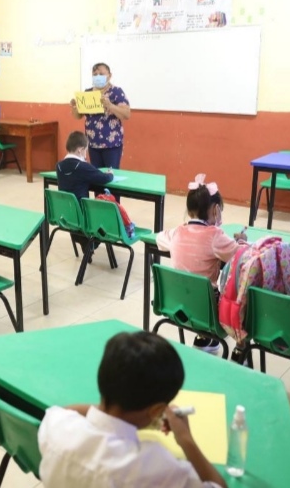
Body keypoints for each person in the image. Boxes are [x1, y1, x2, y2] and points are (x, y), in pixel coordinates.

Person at [38, 331, 227, 488]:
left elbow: (67, 410)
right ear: (157, 410)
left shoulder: (57, 426)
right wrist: (186, 439)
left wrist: (113, 412)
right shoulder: (155, 466)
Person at [156, 174, 246, 355]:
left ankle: (204, 337)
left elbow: (159, 238)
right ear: (215, 210)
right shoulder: (215, 235)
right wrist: (242, 241)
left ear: (190, 211)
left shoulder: (177, 232)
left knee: (196, 287)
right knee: (243, 296)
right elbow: (241, 255)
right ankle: (241, 350)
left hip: (178, 303)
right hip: (207, 307)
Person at [69, 63, 131, 172]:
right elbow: (78, 116)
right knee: (96, 176)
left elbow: (126, 114)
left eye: (101, 74)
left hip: (111, 145)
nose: (98, 76)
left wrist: (110, 106)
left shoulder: (116, 92)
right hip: (92, 143)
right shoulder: (87, 93)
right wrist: (74, 107)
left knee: (111, 176)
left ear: (109, 75)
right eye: (95, 74)